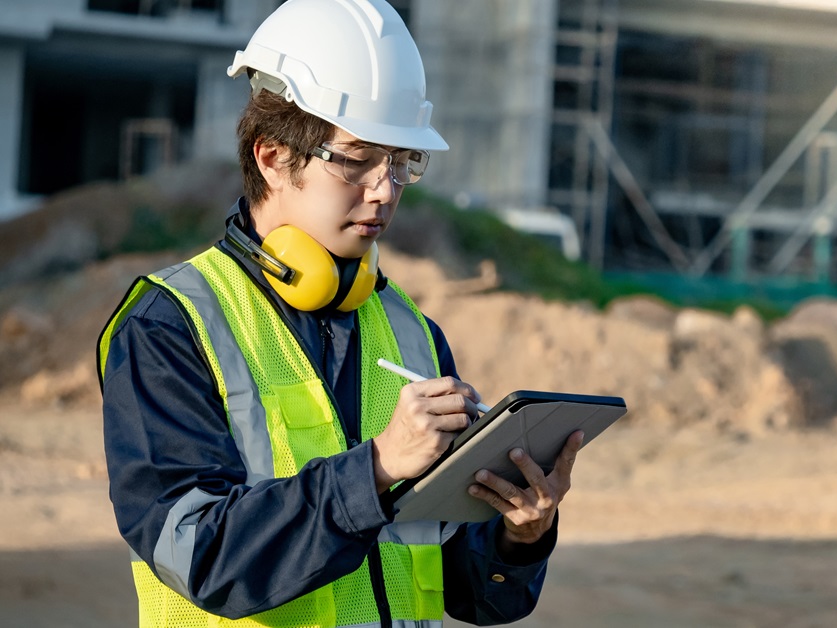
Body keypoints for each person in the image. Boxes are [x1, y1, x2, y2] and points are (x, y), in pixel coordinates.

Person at [97, 1, 584, 626]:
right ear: (273, 156)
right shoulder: (170, 326)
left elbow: (464, 585)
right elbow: (200, 557)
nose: (384, 190)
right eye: (357, 159)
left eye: (402, 162)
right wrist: (376, 470)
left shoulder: (413, 333)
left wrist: (520, 534)